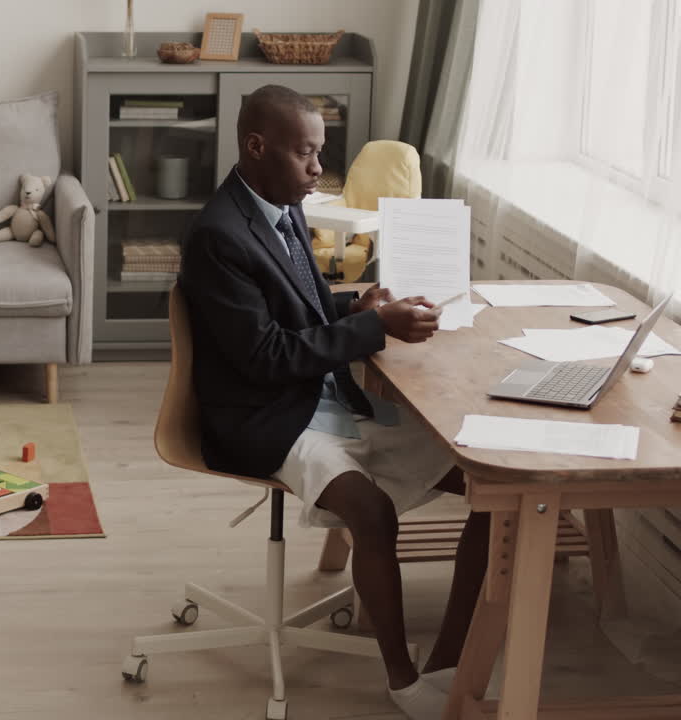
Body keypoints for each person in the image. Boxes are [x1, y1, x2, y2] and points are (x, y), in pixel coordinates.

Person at [178, 84, 489, 720]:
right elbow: (266, 356)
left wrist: (360, 305)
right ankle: (403, 680)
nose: (320, 168)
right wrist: (377, 329)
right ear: (256, 147)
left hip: (314, 393)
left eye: (322, 152)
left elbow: (305, 307)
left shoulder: (281, 202)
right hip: (260, 414)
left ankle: (451, 663)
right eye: (306, 153)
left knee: (492, 483)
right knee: (371, 514)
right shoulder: (219, 235)